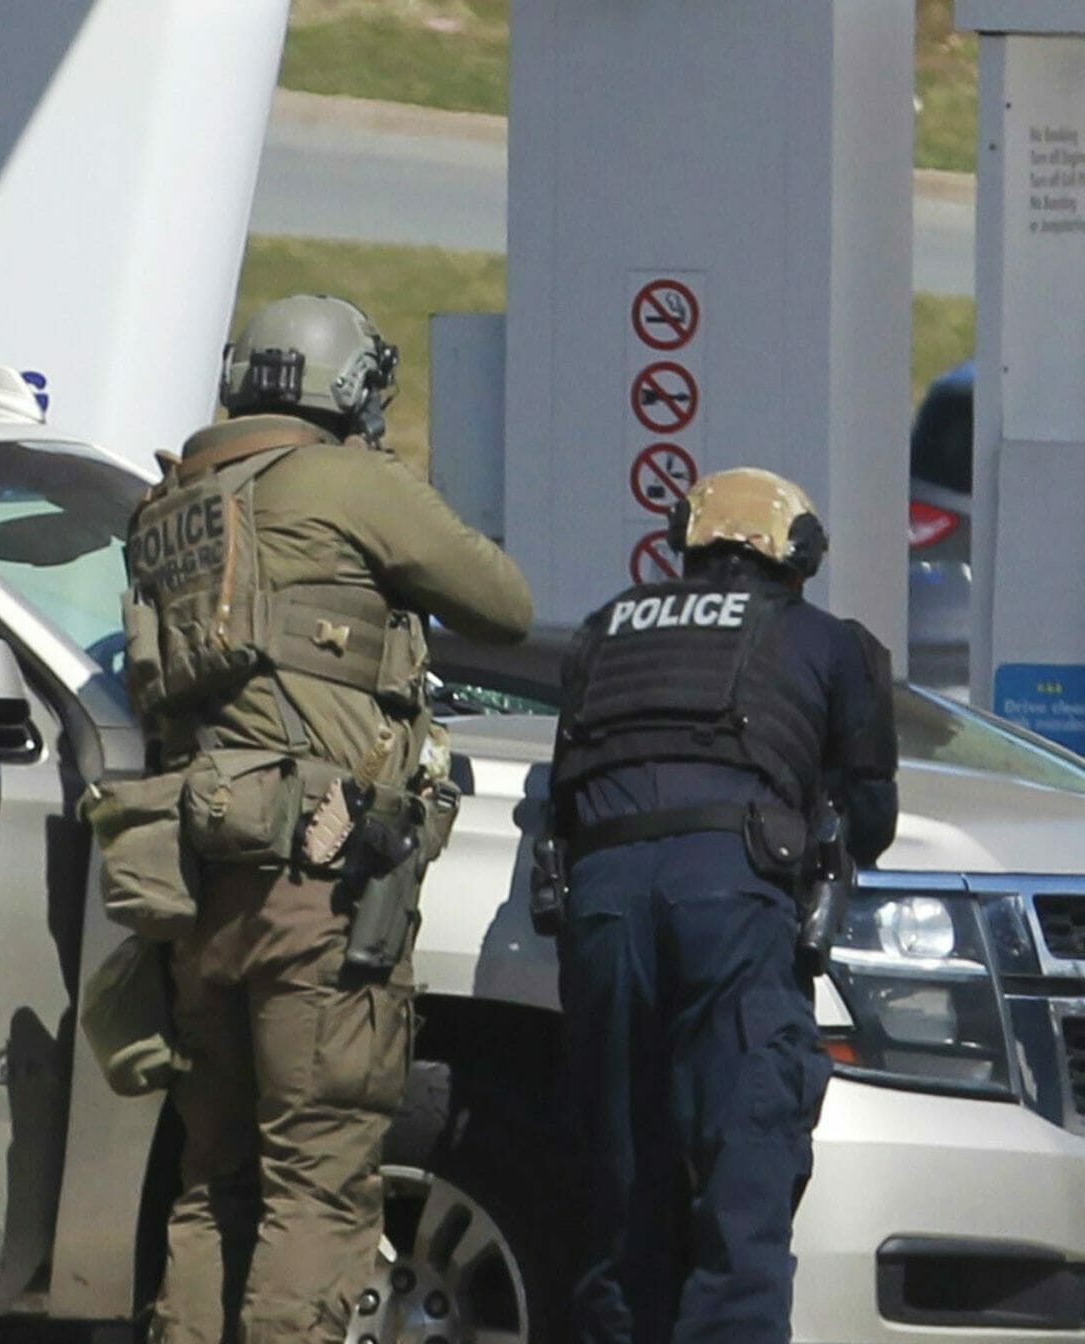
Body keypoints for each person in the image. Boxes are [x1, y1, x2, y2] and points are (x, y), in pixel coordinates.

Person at [128, 294, 534, 1344]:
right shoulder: (346, 482)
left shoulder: (173, 506)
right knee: (317, 1183)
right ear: (346, 388)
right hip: (319, 884)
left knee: (210, 1180)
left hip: (197, 881)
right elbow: (502, 601)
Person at [546, 467, 897, 1344]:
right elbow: (872, 815)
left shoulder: (604, 630)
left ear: (689, 541)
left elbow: (565, 791)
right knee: (744, 1170)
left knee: (618, 1179)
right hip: (732, 901)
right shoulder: (827, 641)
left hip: (603, 907)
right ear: (797, 556)